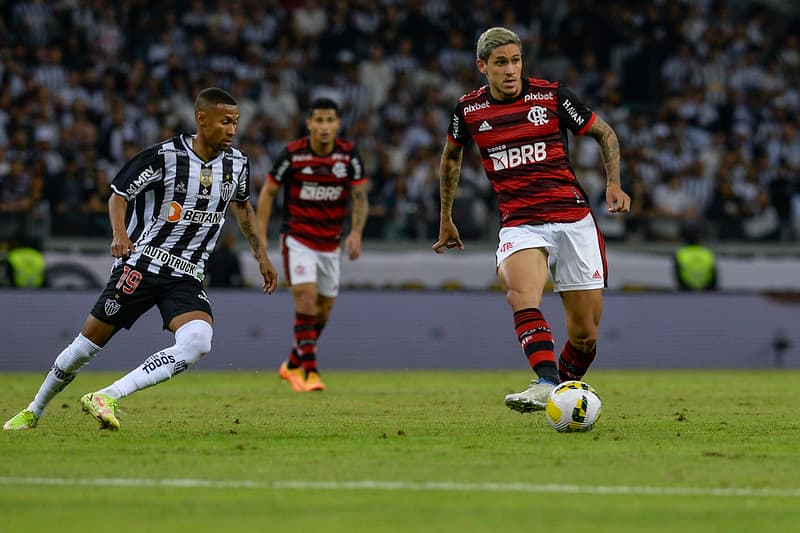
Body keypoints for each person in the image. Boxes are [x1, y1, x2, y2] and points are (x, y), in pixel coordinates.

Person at [3, 87, 278, 431]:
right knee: (84, 349)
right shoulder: (164, 156)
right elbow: (118, 194)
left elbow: (242, 205)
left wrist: (260, 254)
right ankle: (34, 410)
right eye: (225, 122)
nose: (232, 130)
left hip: (187, 275)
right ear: (201, 119)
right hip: (142, 265)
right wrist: (120, 235)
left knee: (197, 342)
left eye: (235, 123)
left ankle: (107, 395)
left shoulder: (237, 164)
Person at [432, 27, 630, 413]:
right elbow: (450, 158)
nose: (510, 70)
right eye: (501, 63)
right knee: (521, 293)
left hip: (573, 219)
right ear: (482, 66)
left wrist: (614, 184)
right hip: (521, 222)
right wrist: (446, 217)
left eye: (516, 61)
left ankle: (562, 390)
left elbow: (604, 133)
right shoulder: (469, 111)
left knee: (585, 336)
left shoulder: (551, 96)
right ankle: (545, 382)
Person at [256, 97, 368, 393]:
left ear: (337, 124)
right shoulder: (292, 155)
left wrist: (355, 232)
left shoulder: (348, 156)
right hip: (298, 239)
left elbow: (360, 197)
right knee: (305, 300)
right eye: (318, 120)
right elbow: (268, 193)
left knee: (322, 312)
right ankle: (310, 372)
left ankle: (291, 364)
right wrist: (261, 235)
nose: (324, 126)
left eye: (329, 120)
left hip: (330, 245)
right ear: (309, 124)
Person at [673, 224, 717, 291]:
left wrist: (686, 288)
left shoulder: (681, 253)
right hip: (706, 290)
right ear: (699, 239)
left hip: (686, 291)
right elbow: (714, 276)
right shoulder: (707, 252)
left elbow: (677, 275)